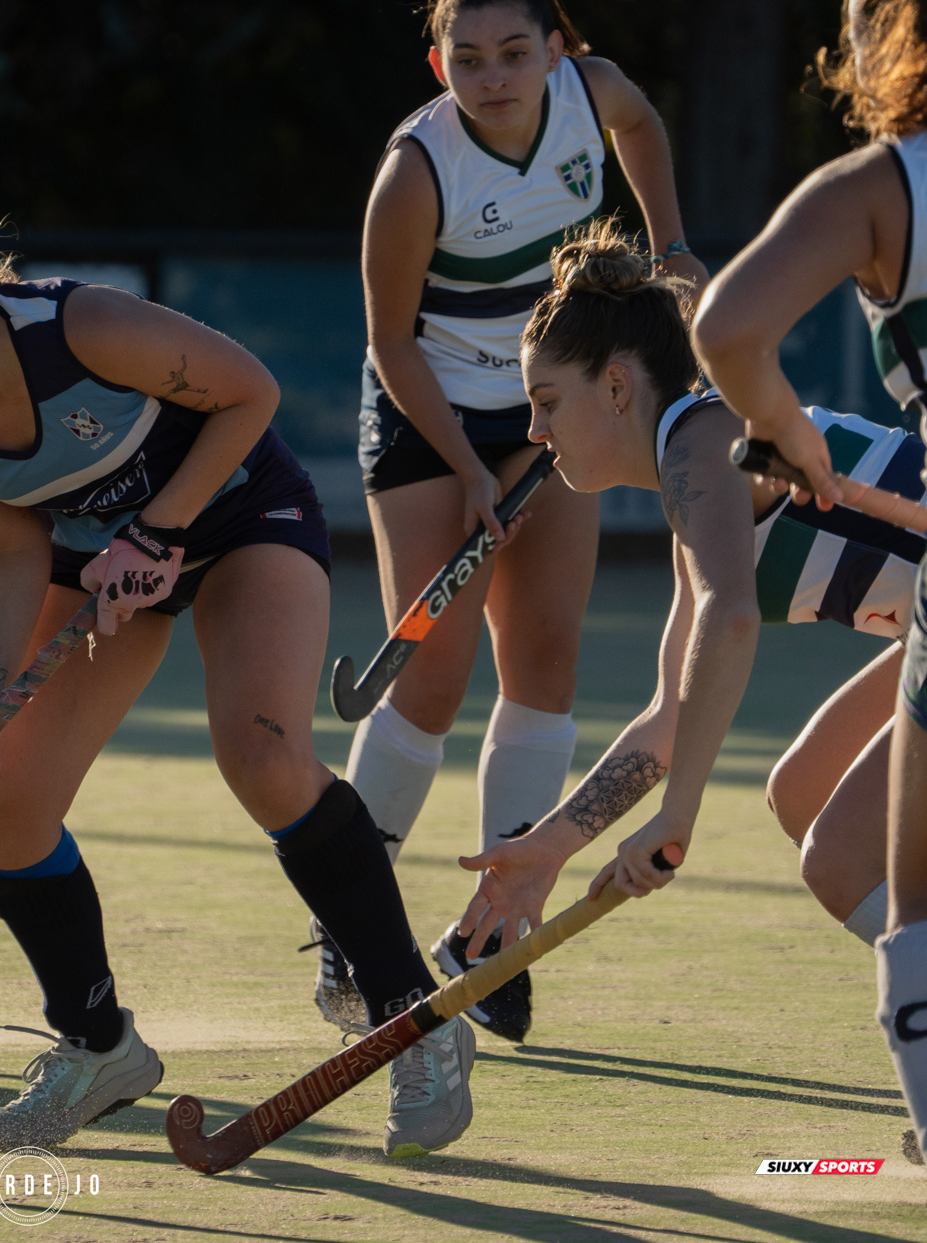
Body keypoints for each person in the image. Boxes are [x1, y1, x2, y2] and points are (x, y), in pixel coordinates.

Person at [0, 190, 475, 1158]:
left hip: (241, 518)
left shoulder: (84, 329)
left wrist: (159, 530)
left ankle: (414, 1018)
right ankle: (100, 1047)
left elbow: (251, 393)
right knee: (5, 804)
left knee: (264, 758)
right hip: (99, 566)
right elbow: (12, 545)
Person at [458, 223, 924, 1144]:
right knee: (799, 790)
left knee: (837, 859)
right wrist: (551, 846)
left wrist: (678, 817)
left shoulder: (700, 445)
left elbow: (732, 618)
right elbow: (668, 715)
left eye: (547, 401)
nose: (535, 431)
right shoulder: (695, 469)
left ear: (616, 387)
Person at [320, 0, 708, 1045]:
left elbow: (642, 125)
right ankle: (348, 929)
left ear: (556, 52)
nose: (493, 77)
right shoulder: (416, 174)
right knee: (433, 676)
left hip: (550, 403)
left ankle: (491, 934)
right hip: (429, 413)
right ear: (437, 61)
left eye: (514, 53)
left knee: (544, 658)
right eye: (469, 58)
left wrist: (671, 242)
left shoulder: (592, 92)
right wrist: (467, 468)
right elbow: (392, 343)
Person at [689, 0, 927, 1165]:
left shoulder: (883, 186)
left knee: (880, 883)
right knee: (817, 819)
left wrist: (780, 428)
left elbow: (730, 326)